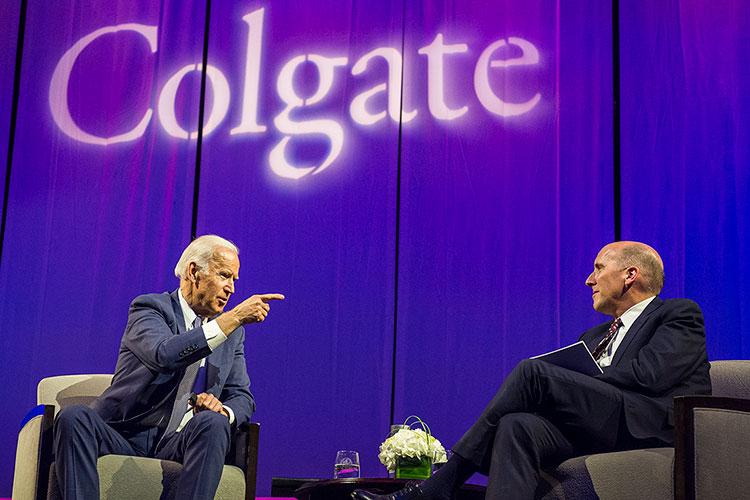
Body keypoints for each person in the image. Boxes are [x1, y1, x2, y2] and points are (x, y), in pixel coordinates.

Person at [353, 241, 710, 500]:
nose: (590, 280)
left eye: (599, 268)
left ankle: (442, 484)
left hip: (646, 425)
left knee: (533, 373)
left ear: (631, 274)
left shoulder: (677, 314)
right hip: (601, 424)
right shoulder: (596, 334)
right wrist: (570, 387)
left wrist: (570, 384)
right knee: (517, 425)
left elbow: (650, 375)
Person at [53, 235, 284, 499]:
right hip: (122, 433)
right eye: (224, 275)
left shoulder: (232, 334)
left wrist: (224, 410)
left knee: (214, 422)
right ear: (194, 272)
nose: (231, 288)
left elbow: (242, 396)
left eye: (234, 280)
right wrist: (234, 318)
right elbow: (165, 355)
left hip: (175, 441)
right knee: (73, 418)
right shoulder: (150, 308)